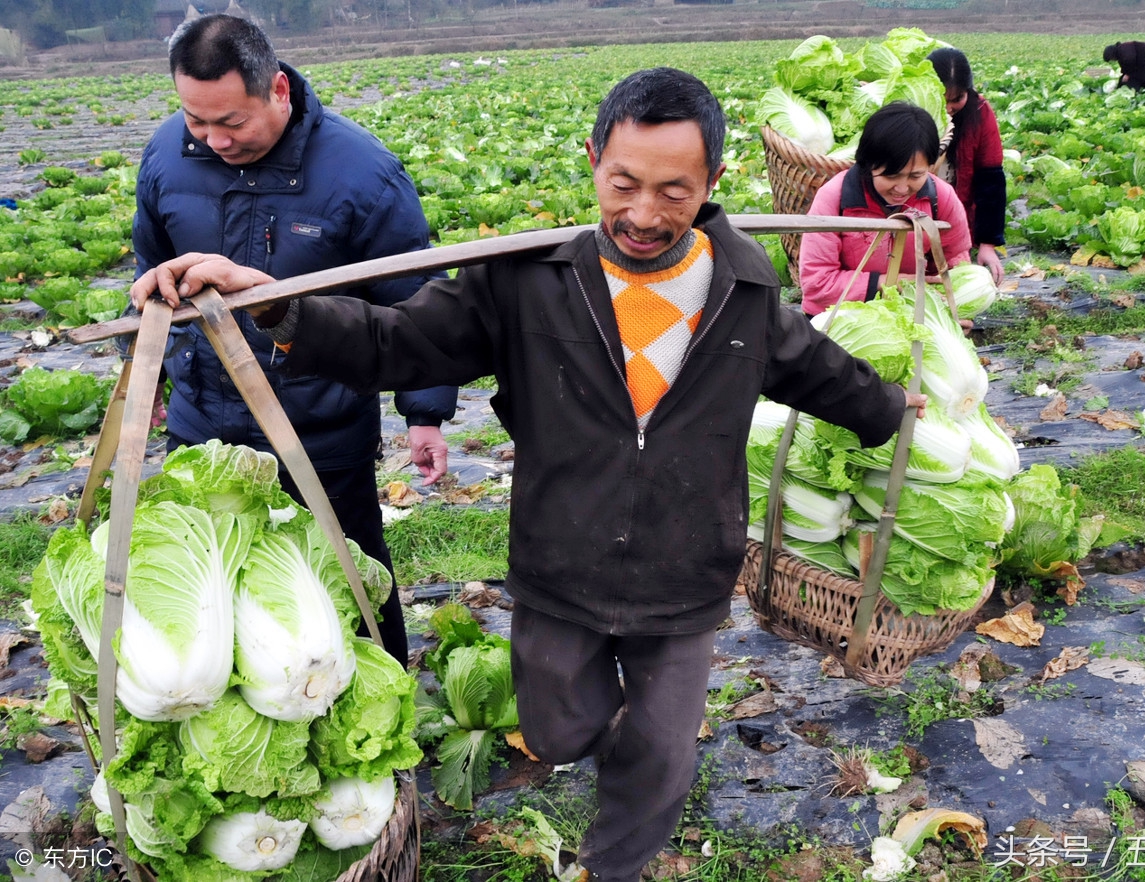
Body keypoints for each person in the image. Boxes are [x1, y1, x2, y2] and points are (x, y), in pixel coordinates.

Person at [131, 67, 926, 882]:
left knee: (659, 753)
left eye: (674, 192)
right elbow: (395, 342)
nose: (644, 215)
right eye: (624, 183)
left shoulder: (746, 287)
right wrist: (276, 306)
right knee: (556, 728)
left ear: (714, 183)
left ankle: (610, 864)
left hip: (687, 566)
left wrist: (894, 407)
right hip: (561, 559)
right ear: (592, 161)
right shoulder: (524, 277)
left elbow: (820, 371)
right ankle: (600, 749)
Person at [130, 13, 458, 667]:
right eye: (197, 120)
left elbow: (417, 303)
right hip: (204, 426)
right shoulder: (167, 154)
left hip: (320, 426)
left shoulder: (363, 174)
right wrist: (153, 369)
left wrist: (425, 413)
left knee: (350, 579)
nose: (213, 139)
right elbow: (149, 265)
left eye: (231, 122)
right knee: (215, 592)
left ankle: (385, 713)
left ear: (277, 89)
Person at [797, 101, 972, 317]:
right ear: (868, 163)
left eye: (916, 176)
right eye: (891, 176)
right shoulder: (834, 198)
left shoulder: (941, 198)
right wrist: (888, 283)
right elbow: (817, 284)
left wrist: (956, 311)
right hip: (841, 317)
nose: (902, 188)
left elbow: (955, 261)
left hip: (911, 315)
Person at [928, 47, 1007, 285]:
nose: (949, 108)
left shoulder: (980, 113)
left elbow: (990, 180)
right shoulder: (914, 110)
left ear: (968, 92)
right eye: (943, 99)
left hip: (958, 220)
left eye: (957, 99)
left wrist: (987, 244)